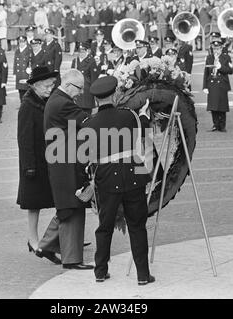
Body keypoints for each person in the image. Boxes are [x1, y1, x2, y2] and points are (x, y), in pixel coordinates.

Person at [82, 75, 155, 285]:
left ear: (96, 100)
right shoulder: (129, 115)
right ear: (114, 94)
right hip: (134, 175)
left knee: (104, 227)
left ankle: (100, 271)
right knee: (137, 226)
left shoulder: (89, 124)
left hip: (106, 179)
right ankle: (142, 275)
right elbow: (143, 129)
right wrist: (145, 114)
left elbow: (85, 156)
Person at [38, 69, 93, 270]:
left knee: (68, 205)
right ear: (69, 85)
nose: (80, 93)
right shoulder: (63, 103)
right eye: (78, 89)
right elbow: (88, 122)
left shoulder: (58, 99)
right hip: (65, 162)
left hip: (63, 160)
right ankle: (71, 259)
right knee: (72, 206)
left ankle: (46, 246)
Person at [17, 66, 58, 254]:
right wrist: (29, 166)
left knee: (58, 200)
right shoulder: (28, 105)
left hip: (49, 158)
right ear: (36, 85)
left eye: (52, 85)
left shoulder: (46, 100)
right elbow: (24, 139)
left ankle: (59, 237)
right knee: (34, 205)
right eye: (48, 86)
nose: (51, 89)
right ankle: (32, 239)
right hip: (34, 162)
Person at [203, 39, 233, 132]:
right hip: (212, 84)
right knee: (213, 106)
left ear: (221, 49)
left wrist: (221, 67)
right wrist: (205, 86)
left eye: (218, 49)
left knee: (222, 106)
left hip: (222, 84)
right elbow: (206, 73)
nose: (216, 51)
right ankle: (215, 124)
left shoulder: (226, 57)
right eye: (214, 49)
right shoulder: (209, 58)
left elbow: (230, 71)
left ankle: (222, 125)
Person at [71, 41, 94, 110]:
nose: (82, 53)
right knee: (73, 113)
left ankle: (86, 120)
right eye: (80, 51)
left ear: (87, 51)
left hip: (86, 89)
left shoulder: (91, 61)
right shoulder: (75, 61)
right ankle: (72, 122)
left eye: (83, 51)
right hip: (75, 89)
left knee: (86, 110)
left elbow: (93, 77)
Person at [14, 36, 32, 103]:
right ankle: (22, 104)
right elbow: (15, 62)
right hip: (19, 74)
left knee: (26, 90)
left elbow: (31, 61)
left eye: (23, 42)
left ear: (26, 42)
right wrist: (14, 72)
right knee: (20, 90)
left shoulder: (29, 50)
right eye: (20, 42)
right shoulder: (17, 50)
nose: (21, 44)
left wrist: (30, 70)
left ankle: (26, 105)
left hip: (25, 73)